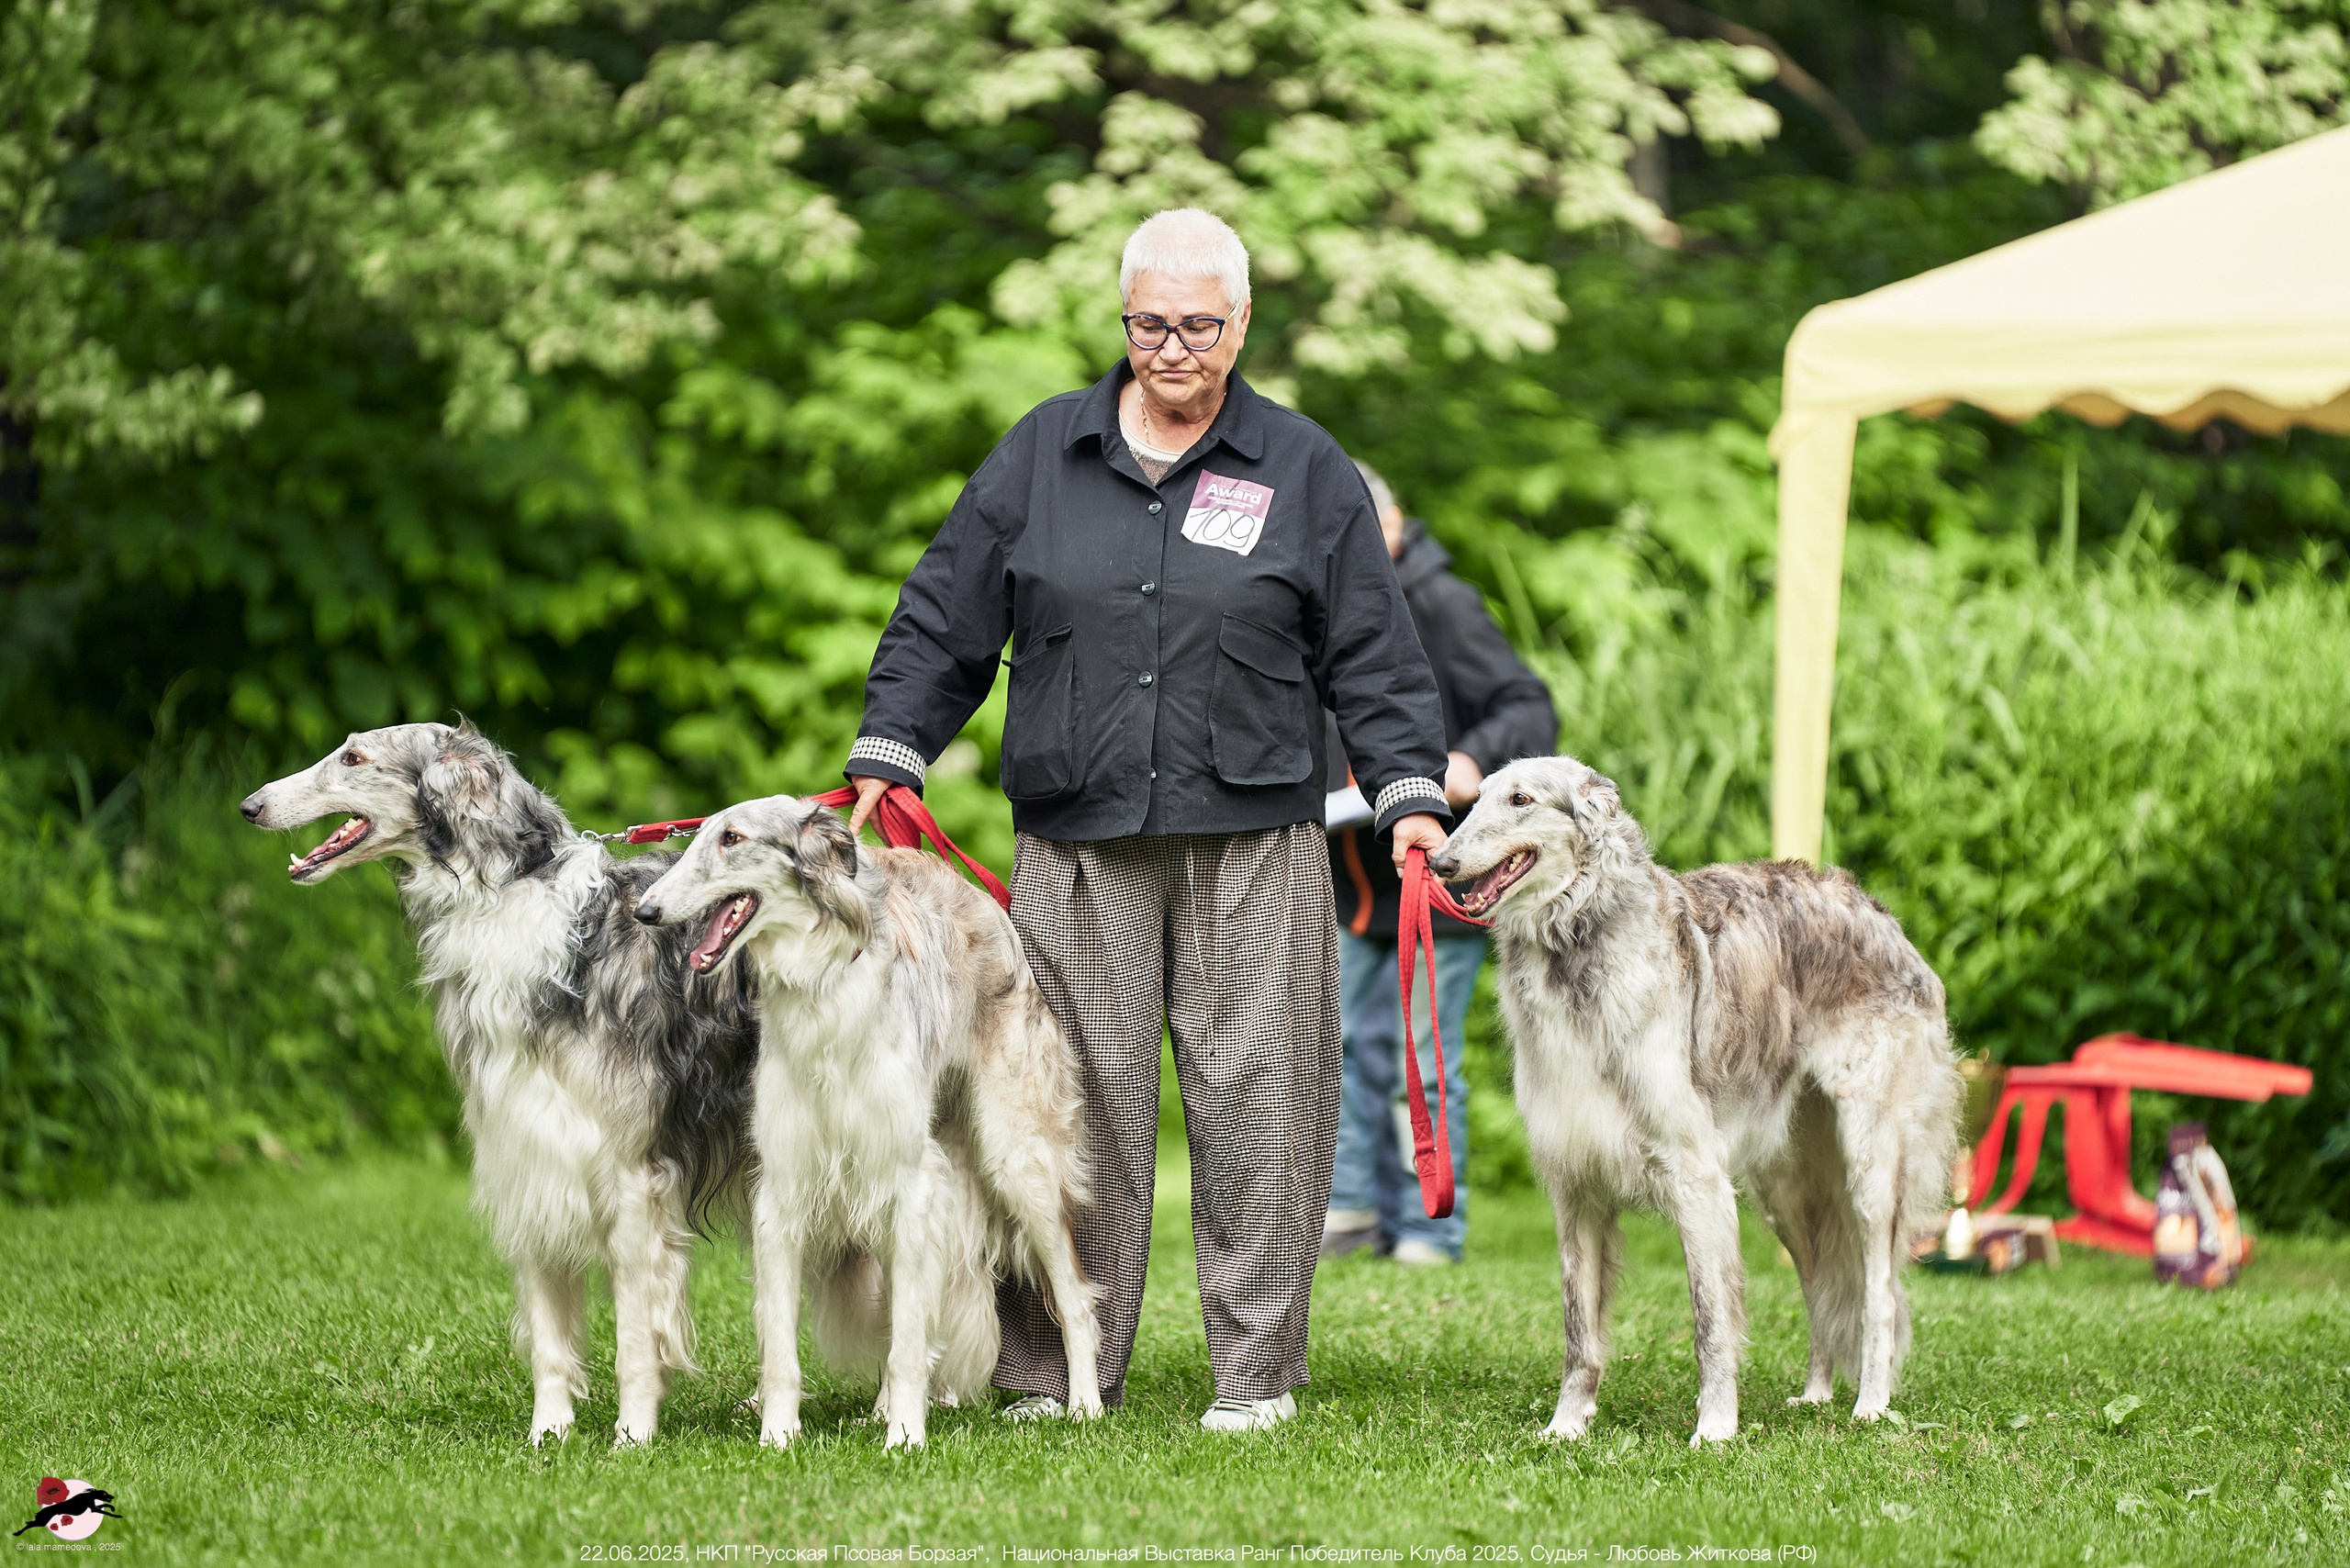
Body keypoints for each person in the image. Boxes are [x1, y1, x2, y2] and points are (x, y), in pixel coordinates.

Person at [840, 208, 1452, 1432]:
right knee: (1063, 1102)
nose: (1171, 346)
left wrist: (1410, 799)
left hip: (1255, 833)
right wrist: (892, 752)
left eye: (1197, 324)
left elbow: (1376, 653)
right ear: (1125, 319)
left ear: (1239, 324)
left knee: (1259, 1097)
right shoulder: (1040, 455)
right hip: (1076, 833)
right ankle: (1054, 1367)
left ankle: (1256, 1374)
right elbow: (943, 612)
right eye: (1149, 322)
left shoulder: (1304, 466)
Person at [1321, 464, 1557, 1266]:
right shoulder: (1321, 600)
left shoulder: (1438, 599)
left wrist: (1473, 761)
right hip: (1349, 873)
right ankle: (1351, 1214)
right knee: (1346, 1050)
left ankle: (1430, 1230)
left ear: (1385, 528)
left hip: (1441, 870)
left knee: (1424, 1061)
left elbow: (1529, 703)